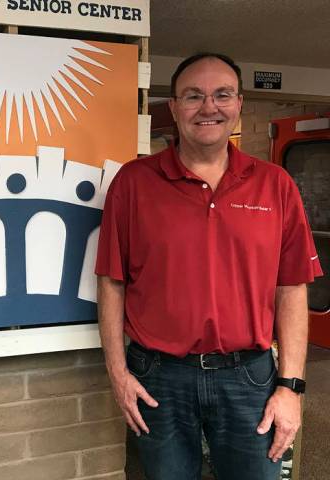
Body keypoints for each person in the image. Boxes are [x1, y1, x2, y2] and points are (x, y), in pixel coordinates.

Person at [95, 53, 322, 480]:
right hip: (159, 379)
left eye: (222, 94)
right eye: (193, 96)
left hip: (249, 378)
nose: (208, 107)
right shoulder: (133, 183)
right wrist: (117, 373)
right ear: (175, 107)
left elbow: (291, 289)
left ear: (239, 104)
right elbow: (111, 283)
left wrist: (291, 388)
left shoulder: (276, 185)